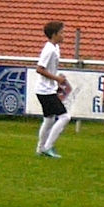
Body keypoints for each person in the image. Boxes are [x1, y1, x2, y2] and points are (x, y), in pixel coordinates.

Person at [35, 21, 71, 158]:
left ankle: (40, 148)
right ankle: (48, 146)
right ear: (54, 35)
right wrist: (57, 79)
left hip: (47, 89)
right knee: (65, 117)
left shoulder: (55, 48)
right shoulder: (49, 49)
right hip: (45, 90)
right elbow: (39, 69)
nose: (64, 35)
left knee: (49, 119)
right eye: (61, 32)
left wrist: (57, 79)